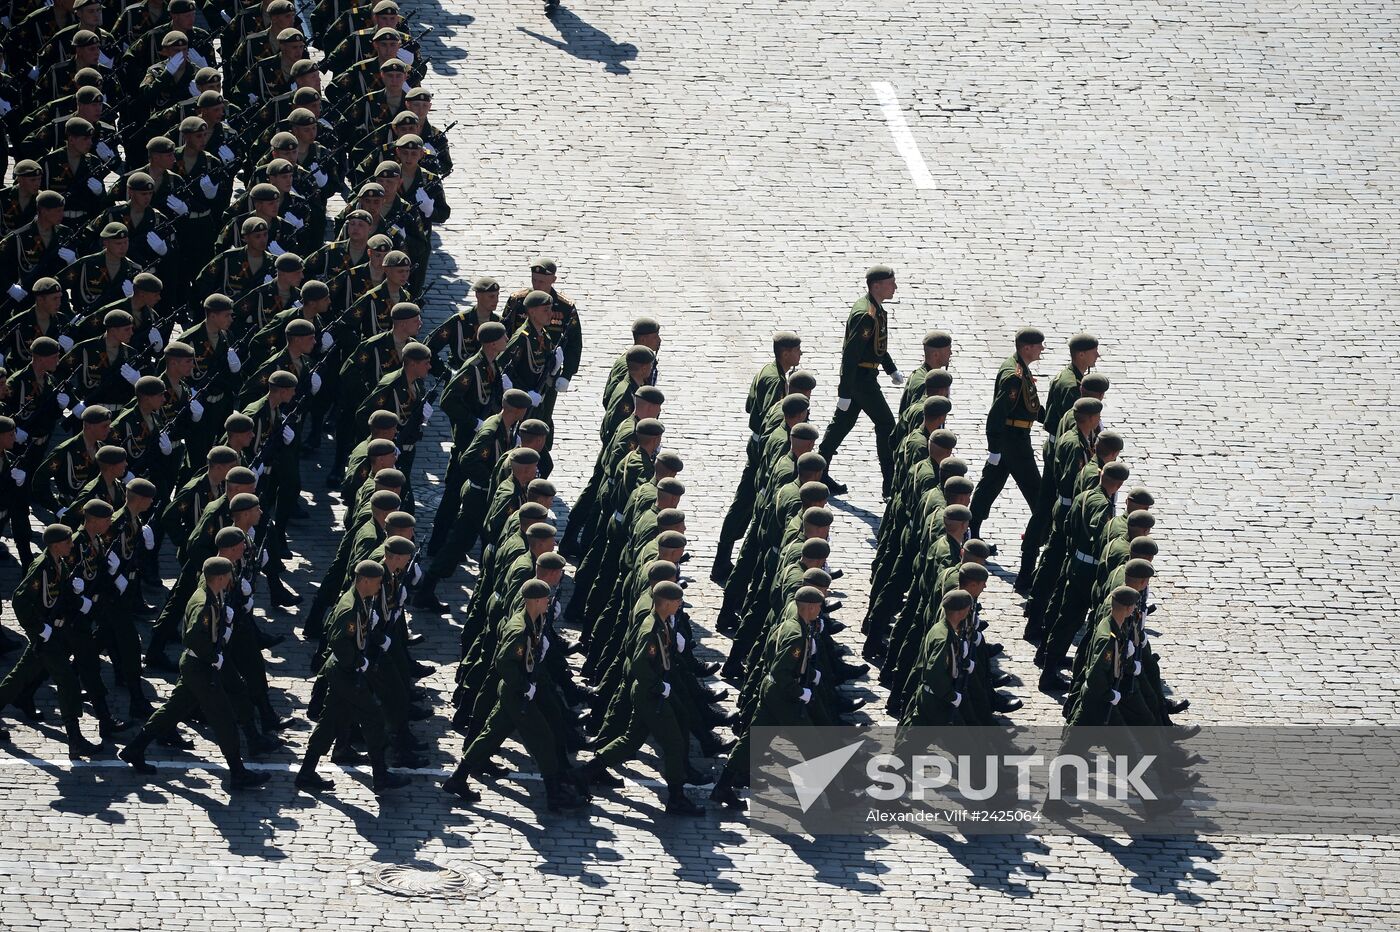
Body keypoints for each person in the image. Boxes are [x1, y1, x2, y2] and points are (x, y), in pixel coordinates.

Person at [118, 556, 271, 790]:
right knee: (224, 718)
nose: (232, 579)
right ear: (220, 578)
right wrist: (213, 657)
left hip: (196, 665)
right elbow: (192, 636)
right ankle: (238, 772)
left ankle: (135, 748)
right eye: (229, 575)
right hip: (201, 668)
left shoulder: (210, 592)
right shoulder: (204, 604)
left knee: (174, 709)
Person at [818, 265, 904, 498]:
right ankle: (890, 483)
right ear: (876, 286)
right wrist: (845, 392)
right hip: (861, 381)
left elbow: (876, 346)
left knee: (841, 425)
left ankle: (817, 472)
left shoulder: (875, 309)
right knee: (886, 425)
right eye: (891, 283)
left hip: (866, 376)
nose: (895, 287)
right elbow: (851, 354)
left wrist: (891, 368)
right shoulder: (866, 315)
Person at [968, 327, 1046, 542]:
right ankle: (1042, 533)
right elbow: (997, 413)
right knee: (1035, 489)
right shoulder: (1014, 376)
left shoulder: (1020, 368)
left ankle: (970, 529)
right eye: (1039, 345)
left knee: (989, 486)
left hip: (1014, 438)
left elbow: (1029, 405)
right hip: (1013, 440)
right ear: (1027, 348)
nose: (1042, 349)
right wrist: (994, 448)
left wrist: (1051, 422)